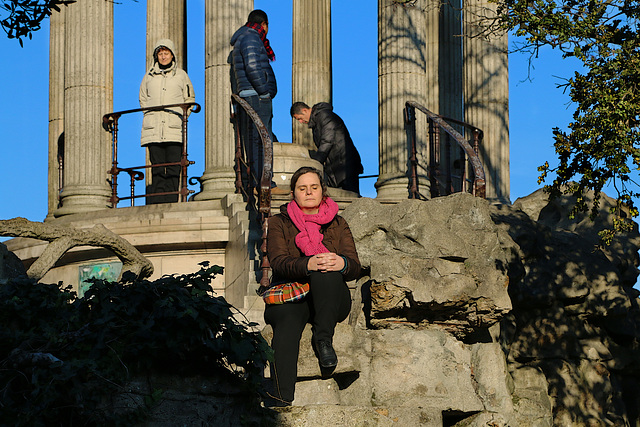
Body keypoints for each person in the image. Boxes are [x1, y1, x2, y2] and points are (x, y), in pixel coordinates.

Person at [265, 166, 361, 405]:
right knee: (285, 323)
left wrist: (342, 262)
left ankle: (323, 340)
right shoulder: (279, 222)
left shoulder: (338, 223)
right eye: (302, 188)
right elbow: (278, 262)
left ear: (323, 192)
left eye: (314, 187)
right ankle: (281, 398)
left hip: (330, 296)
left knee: (326, 269)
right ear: (294, 194)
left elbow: (355, 266)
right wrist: (308, 263)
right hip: (293, 292)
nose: (309, 193)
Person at [230, 9, 283, 192]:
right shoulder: (251, 38)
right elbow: (253, 66)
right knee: (262, 139)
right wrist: (264, 92)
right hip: (256, 96)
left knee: (256, 139)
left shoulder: (244, 38)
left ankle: (258, 180)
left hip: (252, 94)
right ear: (264, 25)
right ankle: (263, 181)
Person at [139, 39, 195, 204]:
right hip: (152, 128)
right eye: (160, 54)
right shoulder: (148, 76)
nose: (163, 57)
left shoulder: (181, 75)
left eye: (166, 53)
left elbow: (190, 98)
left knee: (173, 166)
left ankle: (171, 201)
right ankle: (157, 201)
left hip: (174, 127)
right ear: (157, 56)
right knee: (156, 166)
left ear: (172, 55)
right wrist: (149, 114)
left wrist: (183, 115)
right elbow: (142, 98)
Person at [290, 102, 363, 195]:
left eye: (299, 118)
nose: (300, 122)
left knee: (350, 195)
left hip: (343, 163)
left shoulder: (324, 116)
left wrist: (316, 162)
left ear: (305, 110)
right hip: (336, 164)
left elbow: (327, 141)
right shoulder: (318, 120)